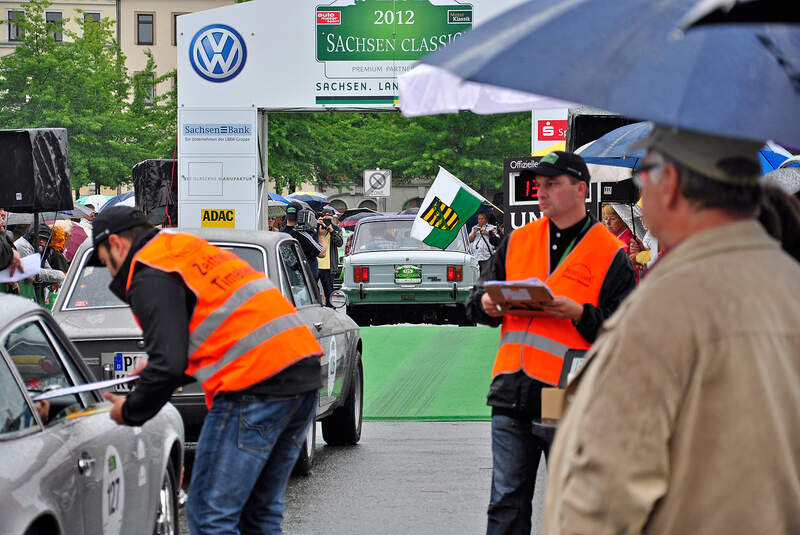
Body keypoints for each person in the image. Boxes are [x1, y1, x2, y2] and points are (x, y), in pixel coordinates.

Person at [543, 126, 800, 534]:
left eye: (641, 181)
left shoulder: (666, 306)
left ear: (673, 184)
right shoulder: (788, 283)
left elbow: (606, 489)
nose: (640, 200)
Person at [91, 206, 324, 534]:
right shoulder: (184, 250)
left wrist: (129, 411)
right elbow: (213, 334)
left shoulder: (148, 272)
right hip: (301, 373)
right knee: (260, 513)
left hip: (254, 385)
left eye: (103, 260)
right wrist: (166, 368)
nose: (108, 271)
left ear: (115, 244)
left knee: (211, 514)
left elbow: (168, 364)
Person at [465, 151, 637, 535]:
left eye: (552, 185)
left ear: (580, 189)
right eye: (539, 186)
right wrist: (486, 304)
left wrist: (579, 313)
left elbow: (626, 333)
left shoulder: (610, 253)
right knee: (506, 500)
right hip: (512, 389)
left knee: (573, 503)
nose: (542, 193)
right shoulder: (518, 240)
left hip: (567, 394)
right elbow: (473, 304)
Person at [281, 201, 327, 280]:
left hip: (287, 278)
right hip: (304, 281)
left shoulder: (281, 233)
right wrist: (321, 235)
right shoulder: (301, 234)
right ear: (301, 215)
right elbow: (322, 253)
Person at [317, 208, 343, 307]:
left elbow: (340, 243)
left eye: (330, 217)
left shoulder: (336, 229)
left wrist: (332, 231)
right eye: (326, 218)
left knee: (329, 293)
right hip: (316, 265)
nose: (328, 220)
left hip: (329, 266)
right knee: (313, 291)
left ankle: (331, 311)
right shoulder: (317, 226)